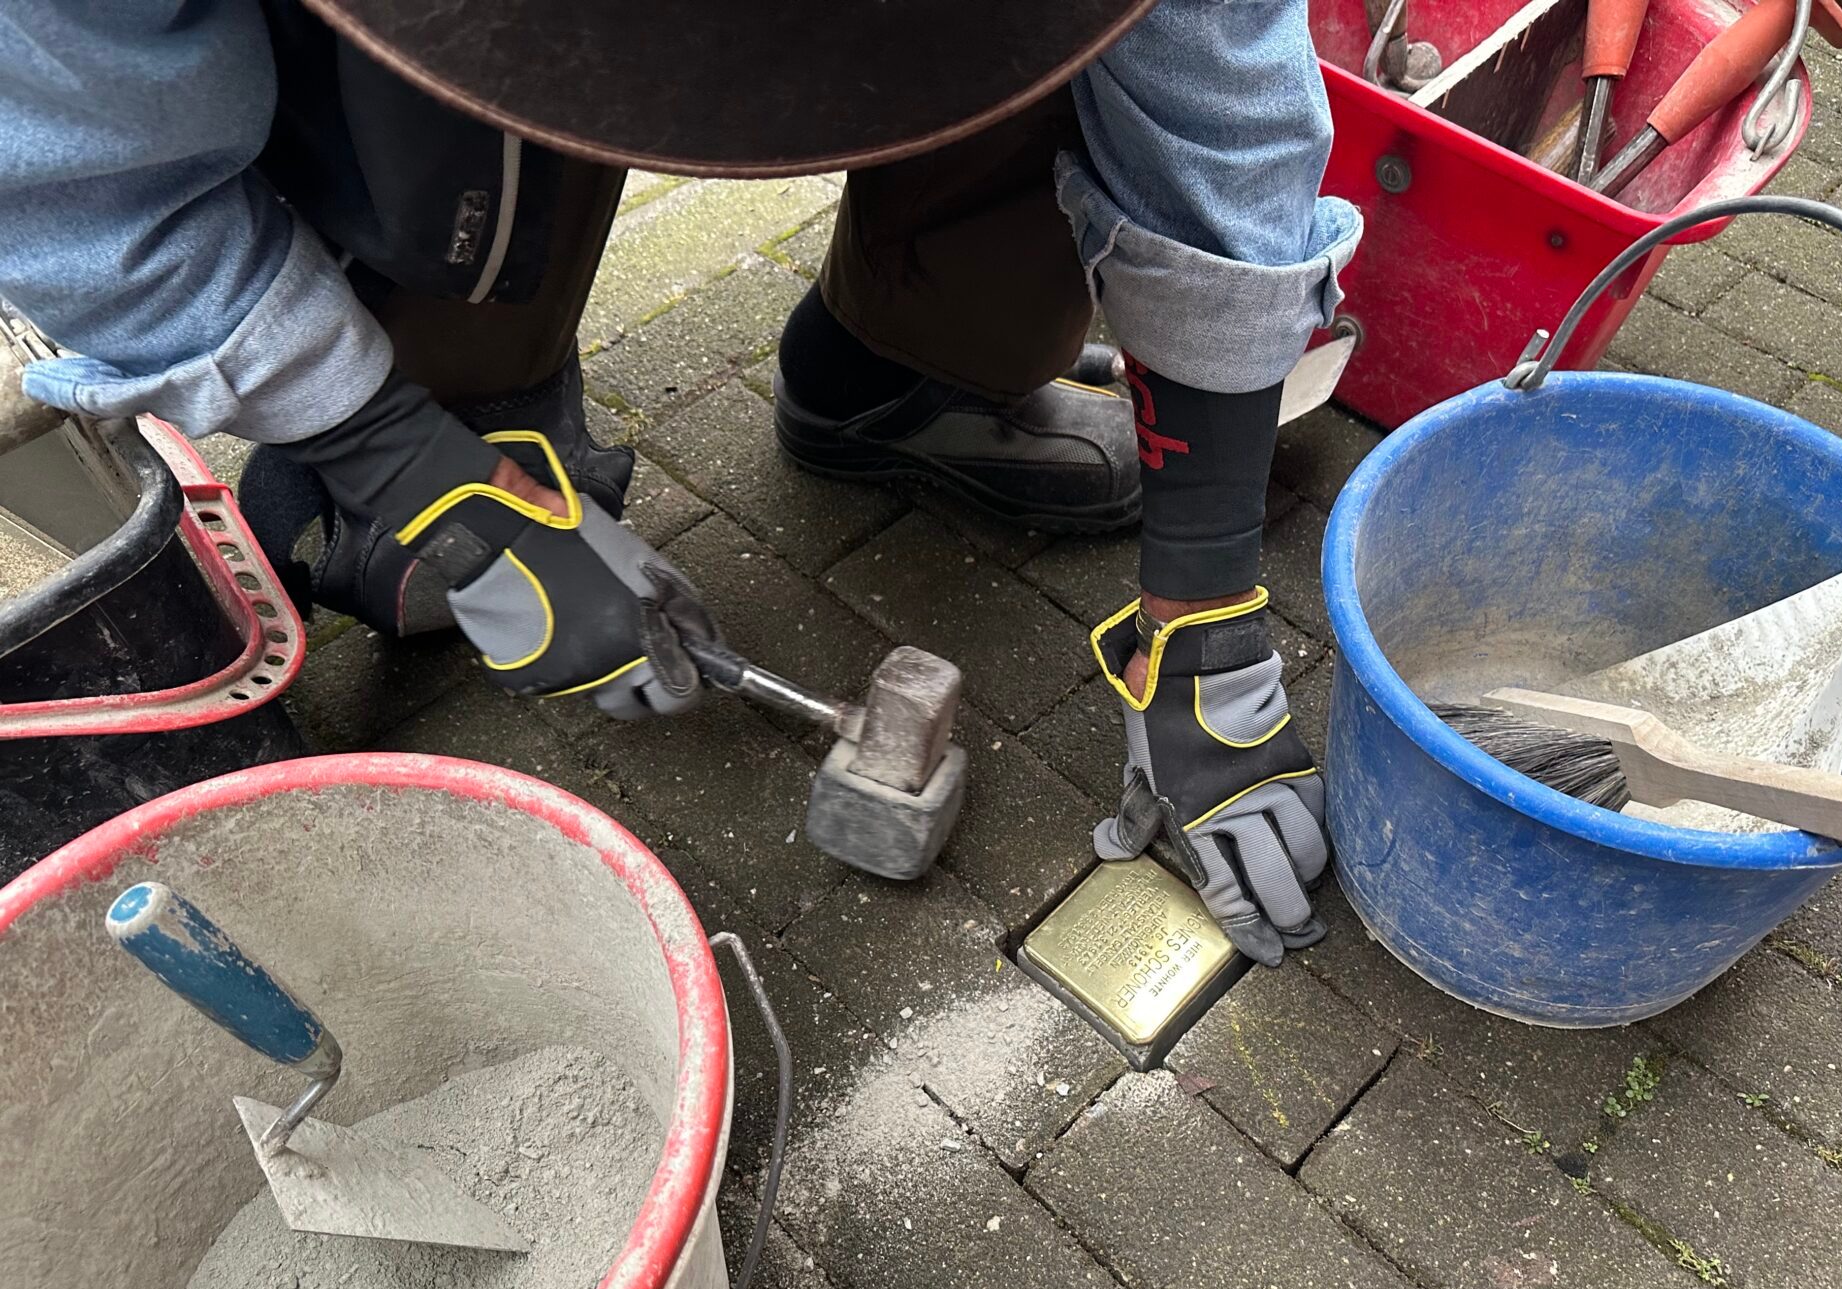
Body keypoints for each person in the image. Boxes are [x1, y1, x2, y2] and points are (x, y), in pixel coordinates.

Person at [0, 0, 1359, 964]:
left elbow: (1222, 124)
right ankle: (410, 449)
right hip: (448, 87)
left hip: (936, 34)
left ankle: (895, 378)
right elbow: (91, 198)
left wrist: (1208, 614)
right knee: (438, 308)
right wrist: (418, 475)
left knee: (1076, 46)